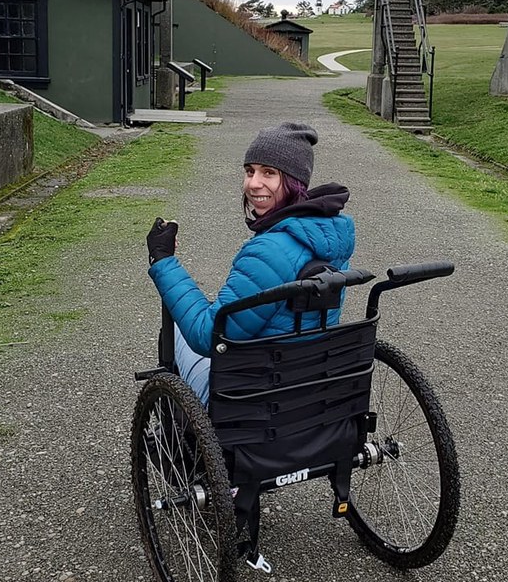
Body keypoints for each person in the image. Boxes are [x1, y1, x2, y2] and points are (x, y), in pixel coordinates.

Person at [146, 122, 354, 405]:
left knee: (178, 332)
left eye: (268, 173)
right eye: (249, 171)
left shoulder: (270, 251)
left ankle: (178, 429)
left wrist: (163, 260)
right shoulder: (329, 234)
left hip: (255, 398)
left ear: (295, 181)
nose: (253, 183)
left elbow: (207, 336)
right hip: (313, 385)